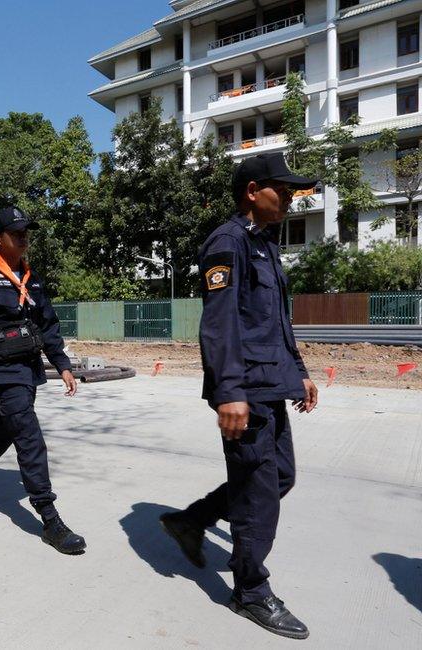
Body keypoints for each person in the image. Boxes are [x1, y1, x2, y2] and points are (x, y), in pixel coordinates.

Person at [158, 152, 319, 640]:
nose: (291, 196)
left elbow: (275, 321)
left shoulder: (265, 245)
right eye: (283, 188)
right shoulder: (227, 243)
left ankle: (194, 519)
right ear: (253, 190)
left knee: (280, 478)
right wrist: (229, 392)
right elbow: (220, 323)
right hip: (244, 389)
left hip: (272, 383)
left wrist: (301, 371)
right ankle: (250, 591)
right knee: (258, 495)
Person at [0, 205, 85, 555]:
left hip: (29, 369)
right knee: (29, 437)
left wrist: (63, 364)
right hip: (3, 372)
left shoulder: (32, 278)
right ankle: (50, 518)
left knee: (6, 431)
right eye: (15, 233)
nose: (23, 238)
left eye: (26, 232)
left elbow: (48, 325)